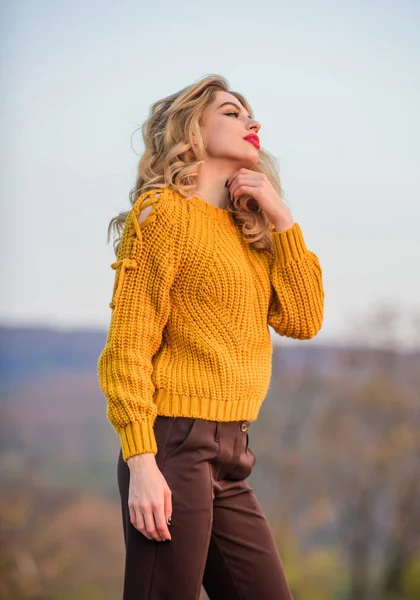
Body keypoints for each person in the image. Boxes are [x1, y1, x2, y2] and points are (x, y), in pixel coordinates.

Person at [97, 73, 324, 600]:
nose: (252, 121)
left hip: (233, 452)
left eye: (250, 113)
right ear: (191, 129)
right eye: (231, 111)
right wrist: (142, 463)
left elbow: (303, 319)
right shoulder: (162, 215)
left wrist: (283, 220)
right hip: (173, 445)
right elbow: (127, 348)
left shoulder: (252, 229)